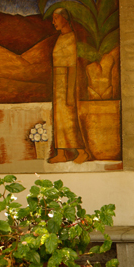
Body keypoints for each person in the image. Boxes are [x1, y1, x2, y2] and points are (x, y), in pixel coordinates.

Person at [49, 8, 90, 164]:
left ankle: (82, 152)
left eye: (56, 18)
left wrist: (70, 92)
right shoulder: (61, 38)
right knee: (59, 119)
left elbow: (72, 66)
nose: (53, 22)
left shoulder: (72, 38)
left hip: (68, 83)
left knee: (69, 119)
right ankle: (61, 153)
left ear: (65, 19)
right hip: (58, 83)